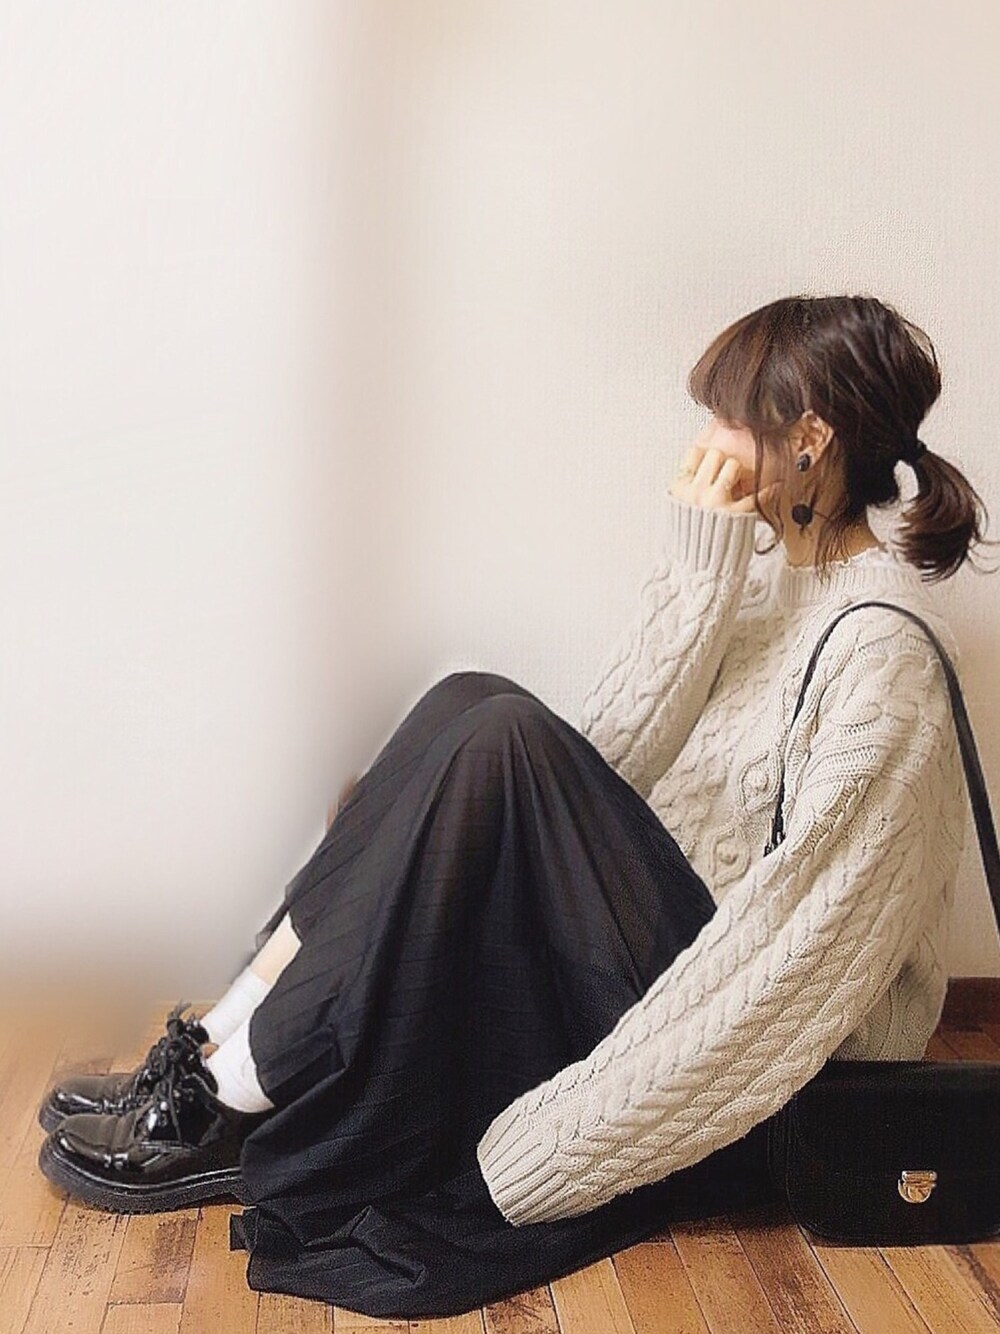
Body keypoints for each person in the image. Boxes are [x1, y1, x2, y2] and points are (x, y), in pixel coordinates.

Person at [36, 294, 994, 1319]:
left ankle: (234, 1098)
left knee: (501, 735)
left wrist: (540, 1152)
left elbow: (786, 975)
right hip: (674, 972)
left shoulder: (883, 652)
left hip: (765, 1068)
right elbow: (600, 775)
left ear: (808, 440)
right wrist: (696, 579)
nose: (703, 439)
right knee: (472, 701)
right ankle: (219, 1053)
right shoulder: (758, 598)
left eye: (726, 415)